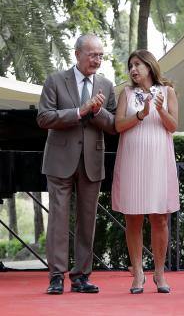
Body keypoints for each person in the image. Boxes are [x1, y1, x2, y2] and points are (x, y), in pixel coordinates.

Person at [37, 34, 117, 295]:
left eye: (100, 55)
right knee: (58, 220)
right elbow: (44, 118)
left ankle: (81, 276)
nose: (97, 60)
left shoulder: (106, 84)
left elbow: (113, 125)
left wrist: (96, 111)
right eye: (92, 54)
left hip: (92, 162)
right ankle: (56, 276)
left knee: (87, 221)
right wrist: (79, 112)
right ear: (77, 54)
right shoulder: (55, 81)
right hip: (60, 161)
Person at [111, 49, 179, 294]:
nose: (133, 69)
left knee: (160, 217)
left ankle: (159, 273)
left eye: (138, 64)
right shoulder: (126, 94)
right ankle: (138, 272)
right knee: (133, 217)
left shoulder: (167, 91)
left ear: (150, 67)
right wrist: (141, 113)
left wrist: (160, 110)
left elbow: (173, 126)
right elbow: (118, 125)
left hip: (158, 160)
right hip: (132, 160)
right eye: (130, 65)